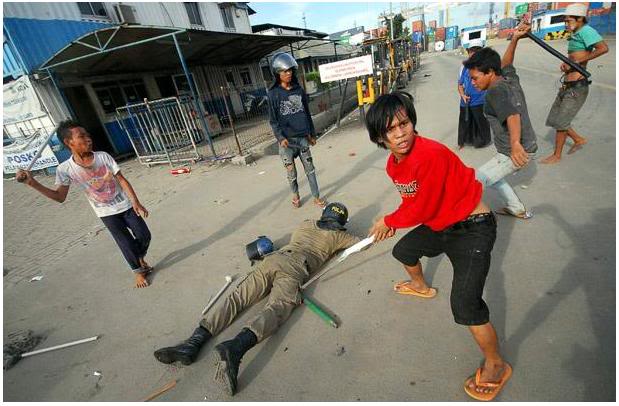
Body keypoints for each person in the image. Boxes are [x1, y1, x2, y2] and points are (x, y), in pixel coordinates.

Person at [366, 92, 511, 401]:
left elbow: (421, 207)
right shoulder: (394, 166)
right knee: (403, 250)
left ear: (412, 122)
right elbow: (415, 202)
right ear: (380, 137)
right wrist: (396, 219)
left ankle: (496, 365)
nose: (400, 133)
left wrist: (390, 220)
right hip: (441, 223)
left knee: (465, 304)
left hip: (474, 229)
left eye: (404, 123)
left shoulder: (428, 154)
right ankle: (420, 286)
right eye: (390, 129)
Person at [153, 203, 361, 396]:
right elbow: (363, 243)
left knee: (237, 298)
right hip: (296, 268)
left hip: (274, 258)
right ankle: (234, 348)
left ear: (323, 215)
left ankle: (192, 344)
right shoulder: (338, 236)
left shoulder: (306, 223)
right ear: (341, 224)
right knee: (277, 309)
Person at [16, 120, 153, 288]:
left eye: (88, 135)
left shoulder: (103, 157)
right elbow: (59, 196)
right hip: (105, 212)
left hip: (125, 205)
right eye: (82, 136)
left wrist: (135, 202)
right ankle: (138, 271)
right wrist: (32, 183)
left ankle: (138, 257)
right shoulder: (65, 169)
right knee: (124, 242)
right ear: (69, 142)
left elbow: (122, 180)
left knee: (144, 235)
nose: (88, 139)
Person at [463, 22, 538, 220]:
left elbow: (512, 115)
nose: (472, 82)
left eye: (475, 78)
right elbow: (506, 63)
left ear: (489, 72)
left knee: (476, 181)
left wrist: (514, 144)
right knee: (493, 178)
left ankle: (461, 220)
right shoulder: (507, 79)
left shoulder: (495, 92)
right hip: (523, 145)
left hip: (515, 151)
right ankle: (516, 208)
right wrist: (514, 39)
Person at [541, 3, 608, 164]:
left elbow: (603, 48)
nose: (566, 23)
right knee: (554, 119)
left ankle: (557, 155)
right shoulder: (576, 33)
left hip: (577, 87)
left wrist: (578, 61)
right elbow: (574, 59)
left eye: (569, 20)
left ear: (580, 19)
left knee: (561, 123)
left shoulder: (586, 31)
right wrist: (568, 66)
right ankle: (578, 139)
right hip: (568, 84)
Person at [267, 52, 327, 208]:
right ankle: (295, 194)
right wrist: (280, 138)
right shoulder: (273, 94)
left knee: (310, 170)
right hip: (286, 143)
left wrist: (312, 134)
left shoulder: (298, 90)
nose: (288, 73)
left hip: (302, 139)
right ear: (277, 73)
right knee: (291, 174)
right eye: (284, 71)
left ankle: (316, 196)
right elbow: (273, 121)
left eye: (290, 70)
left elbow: (307, 113)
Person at [457, 39, 491, 149]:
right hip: (466, 101)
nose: (474, 53)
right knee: (465, 122)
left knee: (480, 121)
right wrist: (462, 95)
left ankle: (482, 141)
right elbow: (460, 84)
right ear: (468, 52)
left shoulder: (486, 66)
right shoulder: (464, 67)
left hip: (480, 101)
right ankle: (463, 142)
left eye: (477, 50)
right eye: (472, 51)